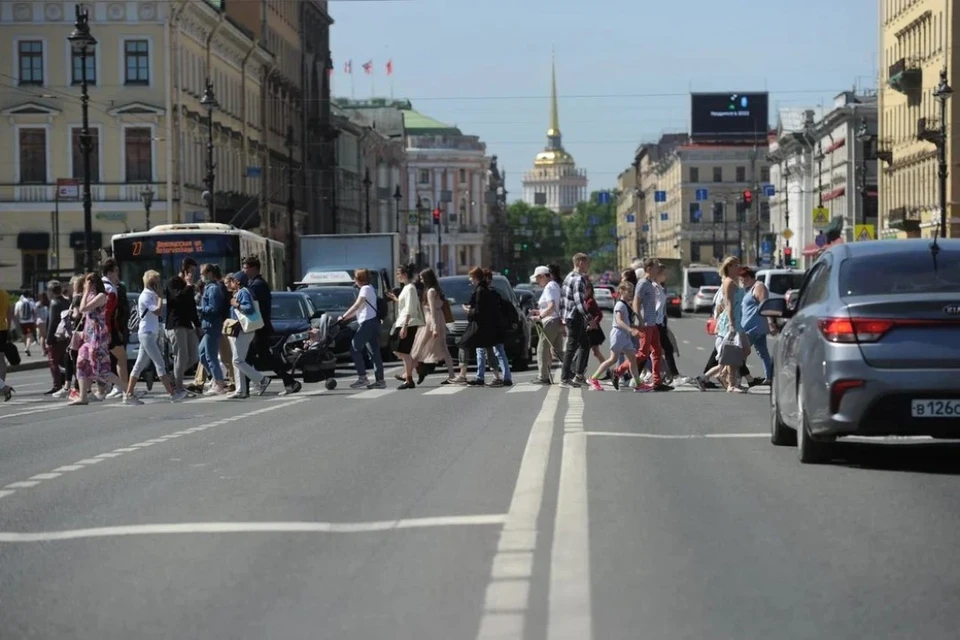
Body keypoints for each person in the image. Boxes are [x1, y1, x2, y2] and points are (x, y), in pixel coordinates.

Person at [242, 255, 301, 396]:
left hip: (259, 327)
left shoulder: (257, 285)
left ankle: (289, 382)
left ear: (253, 268)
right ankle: (246, 386)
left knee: (260, 357)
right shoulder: (254, 284)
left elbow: (254, 306)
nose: (243, 271)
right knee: (248, 358)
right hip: (258, 326)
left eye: (245, 268)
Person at [124, 270, 179, 404]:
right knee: (159, 363)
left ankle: (129, 394)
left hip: (150, 333)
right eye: (157, 282)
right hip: (147, 333)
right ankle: (172, 393)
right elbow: (157, 311)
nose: (160, 285)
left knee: (139, 364)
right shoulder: (146, 296)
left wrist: (158, 296)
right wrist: (160, 297)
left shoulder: (151, 295)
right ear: (151, 283)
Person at [586, 280, 643, 391]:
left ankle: (638, 384)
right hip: (618, 334)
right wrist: (631, 330)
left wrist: (636, 329)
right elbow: (619, 321)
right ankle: (593, 378)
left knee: (632, 359)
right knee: (613, 359)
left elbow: (626, 321)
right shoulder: (620, 305)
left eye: (632, 291)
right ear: (621, 291)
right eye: (629, 291)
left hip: (624, 335)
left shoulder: (626, 305)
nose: (631, 293)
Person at [338, 268, 385, 389]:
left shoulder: (365, 289)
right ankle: (380, 381)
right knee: (374, 352)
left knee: (354, 348)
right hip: (373, 322)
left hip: (367, 323)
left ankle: (362, 377)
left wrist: (343, 316)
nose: (354, 280)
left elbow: (357, 305)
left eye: (355, 277)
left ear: (360, 279)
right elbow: (359, 309)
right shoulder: (370, 289)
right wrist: (346, 317)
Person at [463, 266, 510, 387]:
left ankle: (495, 377)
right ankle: (486, 377)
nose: (470, 280)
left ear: (476, 278)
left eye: (471, 277)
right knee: (485, 350)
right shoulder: (484, 290)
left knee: (486, 350)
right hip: (488, 326)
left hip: (484, 327)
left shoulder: (481, 291)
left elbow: (480, 311)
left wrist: (469, 311)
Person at [410, 268, 456, 384]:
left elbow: (432, 309)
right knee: (444, 349)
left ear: (427, 278)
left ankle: (407, 373)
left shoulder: (430, 291)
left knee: (419, 346)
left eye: (422, 278)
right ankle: (452, 375)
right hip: (439, 319)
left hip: (431, 320)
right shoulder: (437, 290)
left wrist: (434, 326)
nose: (420, 280)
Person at [165, 258, 201, 395]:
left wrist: (197, 325)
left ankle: (174, 379)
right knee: (181, 356)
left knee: (193, 356)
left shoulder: (189, 286)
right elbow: (177, 299)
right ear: (184, 270)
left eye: (194, 271)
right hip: (176, 323)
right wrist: (188, 285)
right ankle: (178, 387)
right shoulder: (173, 282)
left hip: (187, 324)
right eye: (191, 271)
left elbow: (191, 306)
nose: (193, 274)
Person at [559, 253, 591, 387]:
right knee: (572, 347)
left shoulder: (568, 277)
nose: (588, 266)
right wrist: (589, 318)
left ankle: (578, 375)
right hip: (575, 316)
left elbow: (562, 300)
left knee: (585, 344)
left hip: (569, 316)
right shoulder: (578, 279)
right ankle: (565, 378)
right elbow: (579, 303)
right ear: (579, 263)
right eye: (586, 263)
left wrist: (563, 317)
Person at [529, 265, 563, 384]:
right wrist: (538, 312)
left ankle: (543, 377)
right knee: (558, 351)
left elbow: (551, 306)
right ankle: (574, 371)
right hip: (555, 320)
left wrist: (539, 317)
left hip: (550, 321)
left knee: (542, 348)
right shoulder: (554, 285)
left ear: (543, 276)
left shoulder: (549, 287)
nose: (537, 281)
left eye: (538, 278)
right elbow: (552, 307)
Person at [198, 263, 228, 395]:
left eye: (203, 273)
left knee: (211, 356)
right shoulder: (209, 288)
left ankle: (218, 383)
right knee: (202, 354)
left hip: (212, 325)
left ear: (210, 273)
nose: (201, 276)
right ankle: (216, 378)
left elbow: (214, 308)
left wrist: (200, 309)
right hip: (208, 325)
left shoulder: (213, 289)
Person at [43, 281, 71, 395]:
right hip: (65, 335)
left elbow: (52, 322)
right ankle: (67, 383)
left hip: (55, 337)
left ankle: (57, 385)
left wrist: (48, 339)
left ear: (50, 291)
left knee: (53, 361)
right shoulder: (66, 301)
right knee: (64, 361)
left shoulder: (54, 303)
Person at [14, 290, 37, 356]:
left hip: (22, 321)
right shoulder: (31, 302)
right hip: (30, 321)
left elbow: (16, 313)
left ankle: (26, 348)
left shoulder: (18, 303)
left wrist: (17, 321)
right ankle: (27, 348)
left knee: (24, 335)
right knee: (29, 335)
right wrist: (35, 320)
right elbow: (35, 312)